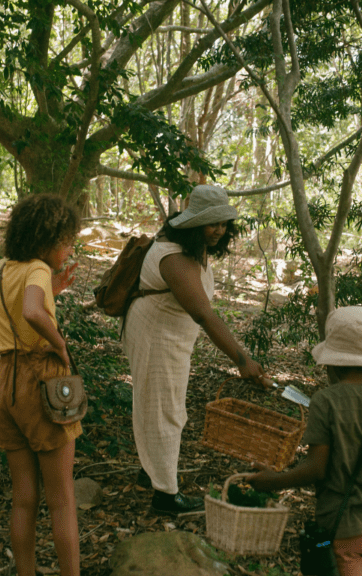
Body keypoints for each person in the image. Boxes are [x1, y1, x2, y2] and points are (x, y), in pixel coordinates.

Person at [123, 184, 269, 516]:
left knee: (161, 404)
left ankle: (152, 471)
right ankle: (165, 496)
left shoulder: (193, 246)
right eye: (211, 223)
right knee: (163, 408)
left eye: (223, 224)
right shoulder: (174, 256)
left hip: (169, 334)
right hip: (155, 334)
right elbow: (203, 313)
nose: (218, 231)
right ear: (194, 222)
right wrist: (242, 360)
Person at [247, 306, 362, 576]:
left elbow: (317, 468)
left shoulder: (325, 402)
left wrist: (273, 480)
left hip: (344, 527)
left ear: (332, 360)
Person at [0, 194, 82, 576]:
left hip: (5, 383)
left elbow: (16, 313)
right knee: (61, 499)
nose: (68, 250)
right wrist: (59, 343)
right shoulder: (38, 270)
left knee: (23, 498)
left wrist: (52, 295)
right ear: (47, 241)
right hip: (39, 379)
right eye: (66, 243)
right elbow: (30, 311)